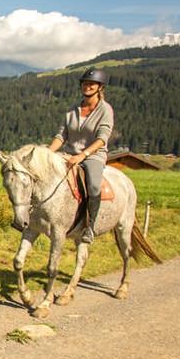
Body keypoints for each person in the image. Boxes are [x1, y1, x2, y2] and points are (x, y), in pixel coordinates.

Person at [48, 68, 115, 243]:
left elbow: (102, 139)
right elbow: (61, 136)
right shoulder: (73, 109)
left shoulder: (105, 110)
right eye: (85, 83)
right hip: (69, 153)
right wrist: (48, 153)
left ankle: (90, 227)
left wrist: (83, 155)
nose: (87, 86)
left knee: (93, 186)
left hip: (93, 155)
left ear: (100, 87)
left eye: (91, 84)